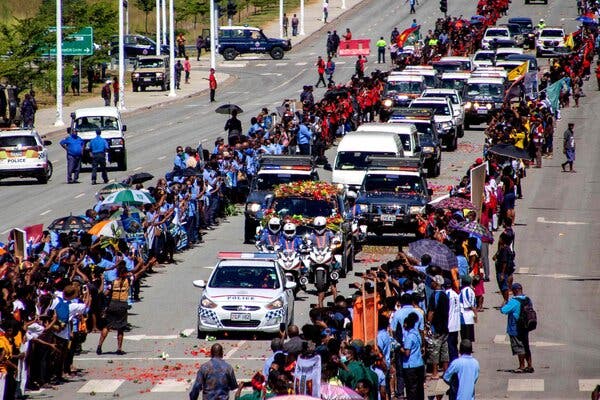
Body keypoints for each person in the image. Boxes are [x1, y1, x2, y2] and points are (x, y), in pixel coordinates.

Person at [96, 259, 150, 355]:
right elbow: (140, 273)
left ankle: (99, 346)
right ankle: (119, 348)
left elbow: (105, 293)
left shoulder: (112, 283)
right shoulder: (128, 280)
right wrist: (148, 264)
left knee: (107, 326)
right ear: (125, 273)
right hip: (122, 305)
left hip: (112, 304)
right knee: (120, 328)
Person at [500, 283, 534, 373]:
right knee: (526, 346)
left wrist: (504, 302)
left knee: (519, 347)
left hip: (515, 327)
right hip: (526, 326)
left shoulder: (514, 301)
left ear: (515, 290)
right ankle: (530, 365)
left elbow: (503, 310)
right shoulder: (527, 299)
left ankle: (522, 366)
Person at [426, 274, 449, 379]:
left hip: (437, 327)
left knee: (434, 351)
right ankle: (446, 371)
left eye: (433, 281)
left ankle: (435, 373)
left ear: (436, 283)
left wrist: (428, 324)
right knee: (444, 350)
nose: (431, 283)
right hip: (445, 326)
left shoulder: (435, 295)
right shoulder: (445, 295)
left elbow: (431, 311)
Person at [400, 312, 424, 400]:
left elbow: (407, 353)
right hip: (419, 364)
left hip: (410, 366)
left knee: (411, 389)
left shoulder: (409, 337)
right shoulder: (417, 334)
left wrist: (399, 348)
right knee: (419, 388)